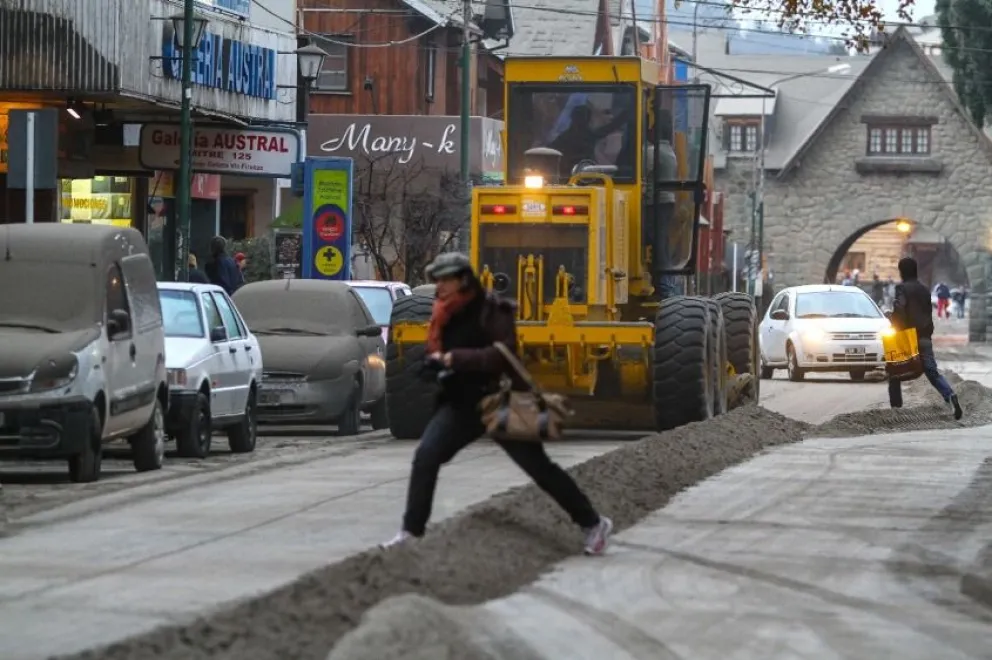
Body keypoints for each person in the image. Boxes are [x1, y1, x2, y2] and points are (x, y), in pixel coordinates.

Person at [380, 252, 613, 555]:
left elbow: (503, 355)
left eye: (445, 280)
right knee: (426, 456)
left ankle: (593, 525)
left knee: (538, 468)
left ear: (463, 280)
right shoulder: (443, 314)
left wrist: (455, 359)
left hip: (499, 402)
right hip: (460, 404)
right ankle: (410, 533)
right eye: (437, 281)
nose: (439, 287)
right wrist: (433, 367)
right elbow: (442, 354)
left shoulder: (493, 311)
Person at [888, 257, 962, 419]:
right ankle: (949, 395)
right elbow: (928, 312)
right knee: (931, 371)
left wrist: (893, 321)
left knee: (894, 371)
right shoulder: (924, 289)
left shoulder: (902, 288)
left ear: (902, 271)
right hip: (924, 336)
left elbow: (900, 309)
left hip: (907, 338)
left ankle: (896, 410)